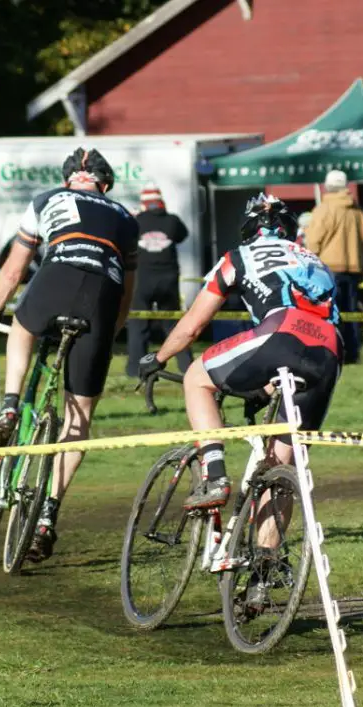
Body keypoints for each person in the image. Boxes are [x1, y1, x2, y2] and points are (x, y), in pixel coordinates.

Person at [0, 147, 138, 562]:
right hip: (102, 298)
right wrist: (107, 336)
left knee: (21, 328)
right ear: (106, 184)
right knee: (78, 421)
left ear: (69, 180)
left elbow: (13, 271)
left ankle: (10, 408)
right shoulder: (125, 217)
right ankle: (47, 517)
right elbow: (126, 298)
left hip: (56, 278)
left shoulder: (47, 199)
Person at [137, 193, 340, 518]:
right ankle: (268, 563)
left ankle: (215, 475)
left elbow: (193, 325)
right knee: (281, 466)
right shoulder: (315, 260)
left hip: (280, 334)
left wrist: (158, 358)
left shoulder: (239, 256)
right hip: (330, 352)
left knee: (196, 378)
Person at [125, 185, 192, 377]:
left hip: (142, 279)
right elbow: (181, 236)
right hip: (168, 280)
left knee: (139, 325)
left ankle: (135, 369)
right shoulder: (172, 220)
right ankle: (186, 365)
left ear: (143, 203)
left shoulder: (136, 221)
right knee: (173, 325)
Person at [304, 169, 363, 364]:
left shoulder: (323, 210)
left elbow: (313, 242)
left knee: (329, 314)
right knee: (350, 313)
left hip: (328, 270)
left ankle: (333, 352)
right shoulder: (357, 211)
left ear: (327, 186)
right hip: (353, 268)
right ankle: (353, 353)